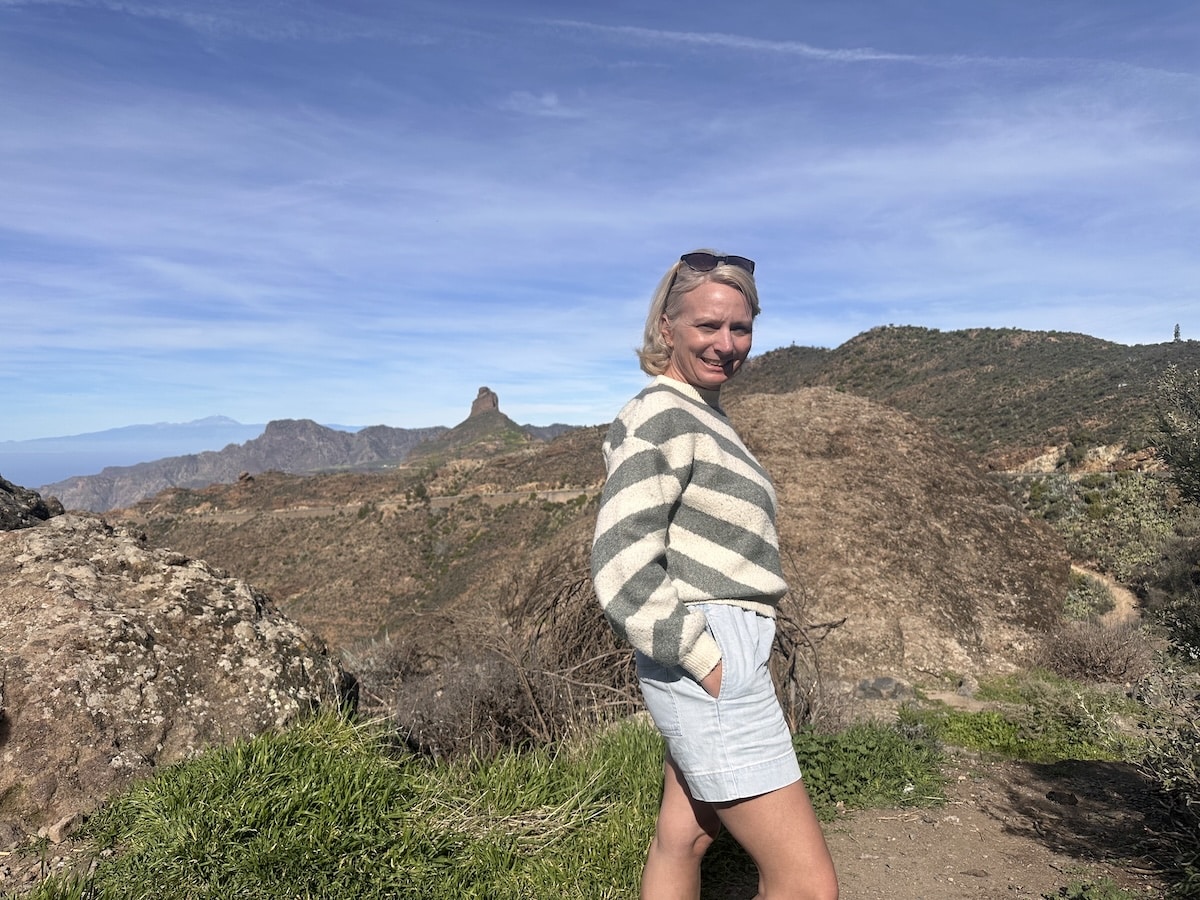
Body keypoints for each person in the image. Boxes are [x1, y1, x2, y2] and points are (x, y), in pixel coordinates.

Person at [591, 250, 839, 900]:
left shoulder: (705, 413)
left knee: (686, 838)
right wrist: (707, 659)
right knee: (807, 886)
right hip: (708, 651)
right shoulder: (660, 414)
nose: (726, 344)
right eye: (707, 326)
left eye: (741, 327)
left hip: (720, 649)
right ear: (666, 327)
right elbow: (621, 564)